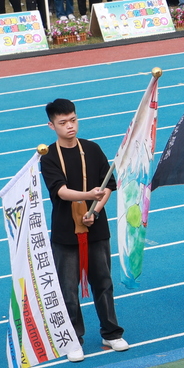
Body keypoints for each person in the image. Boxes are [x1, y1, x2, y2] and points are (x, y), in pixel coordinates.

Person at [40, 98, 128, 354]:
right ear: (51, 125)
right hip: (66, 231)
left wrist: (96, 211)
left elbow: (108, 184)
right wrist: (90, 196)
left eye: (73, 120)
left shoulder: (91, 149)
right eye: (63, 122)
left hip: (96, 228)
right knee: (68, 289)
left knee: (103, 282)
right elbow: (61, 191)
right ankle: (73, 339)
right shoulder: (49, 156)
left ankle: (111, 333)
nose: (70, 126)